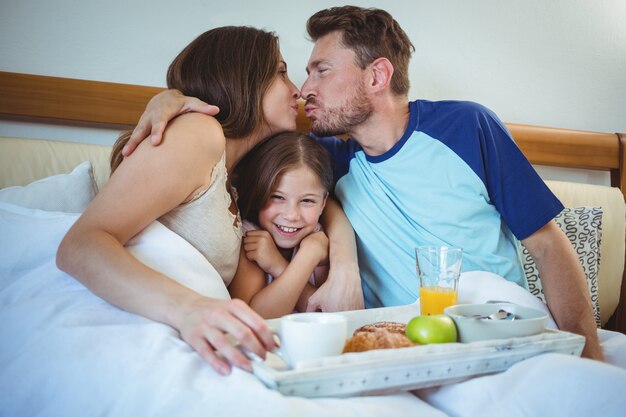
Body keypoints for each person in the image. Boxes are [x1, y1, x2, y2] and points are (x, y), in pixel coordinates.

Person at [122, 6, 603, 360]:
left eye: (321, 70)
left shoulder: (467, 127)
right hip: (400, 344)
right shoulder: (325, 157)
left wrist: (589, 355)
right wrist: (169, 98)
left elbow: (546, 244)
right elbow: (260, 164)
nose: (305, 89)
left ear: (377, 75)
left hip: (495, 328)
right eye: (301, 72)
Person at [56, 25, 360, 377]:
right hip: (144, 323)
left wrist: (341, 258)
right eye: (280, 73)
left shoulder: (235, 176)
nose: (298, 91)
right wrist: (190, 310)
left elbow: (322, 200)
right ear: (242, 79)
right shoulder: (200, 134)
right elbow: (79, 246)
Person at [228, 132, 333, 318]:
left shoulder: (320, 237)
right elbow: (256, 316)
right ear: (259, 192)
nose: (291, 215)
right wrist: (309, 256)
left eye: (307, 201)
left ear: (323, 203)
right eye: (277, 197)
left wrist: (278, 264)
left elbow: (324, 311)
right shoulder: (251, 239)